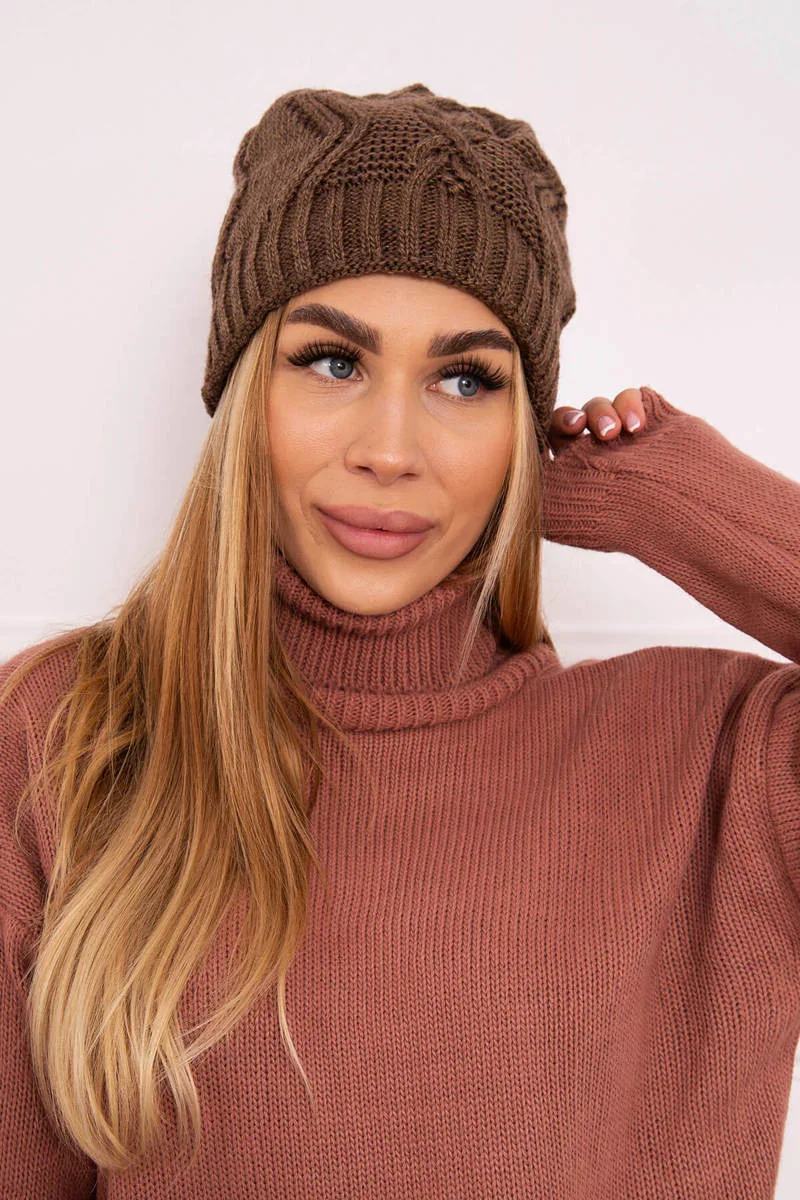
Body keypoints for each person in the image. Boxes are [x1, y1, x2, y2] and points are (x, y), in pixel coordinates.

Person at [0, 82, 798, 1200]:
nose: (390, 447)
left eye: (465, 380)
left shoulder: (719, 766)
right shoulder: (69, 738)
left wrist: (685, 503)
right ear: (244, 393)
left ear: (523, 429)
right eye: (332, 361)